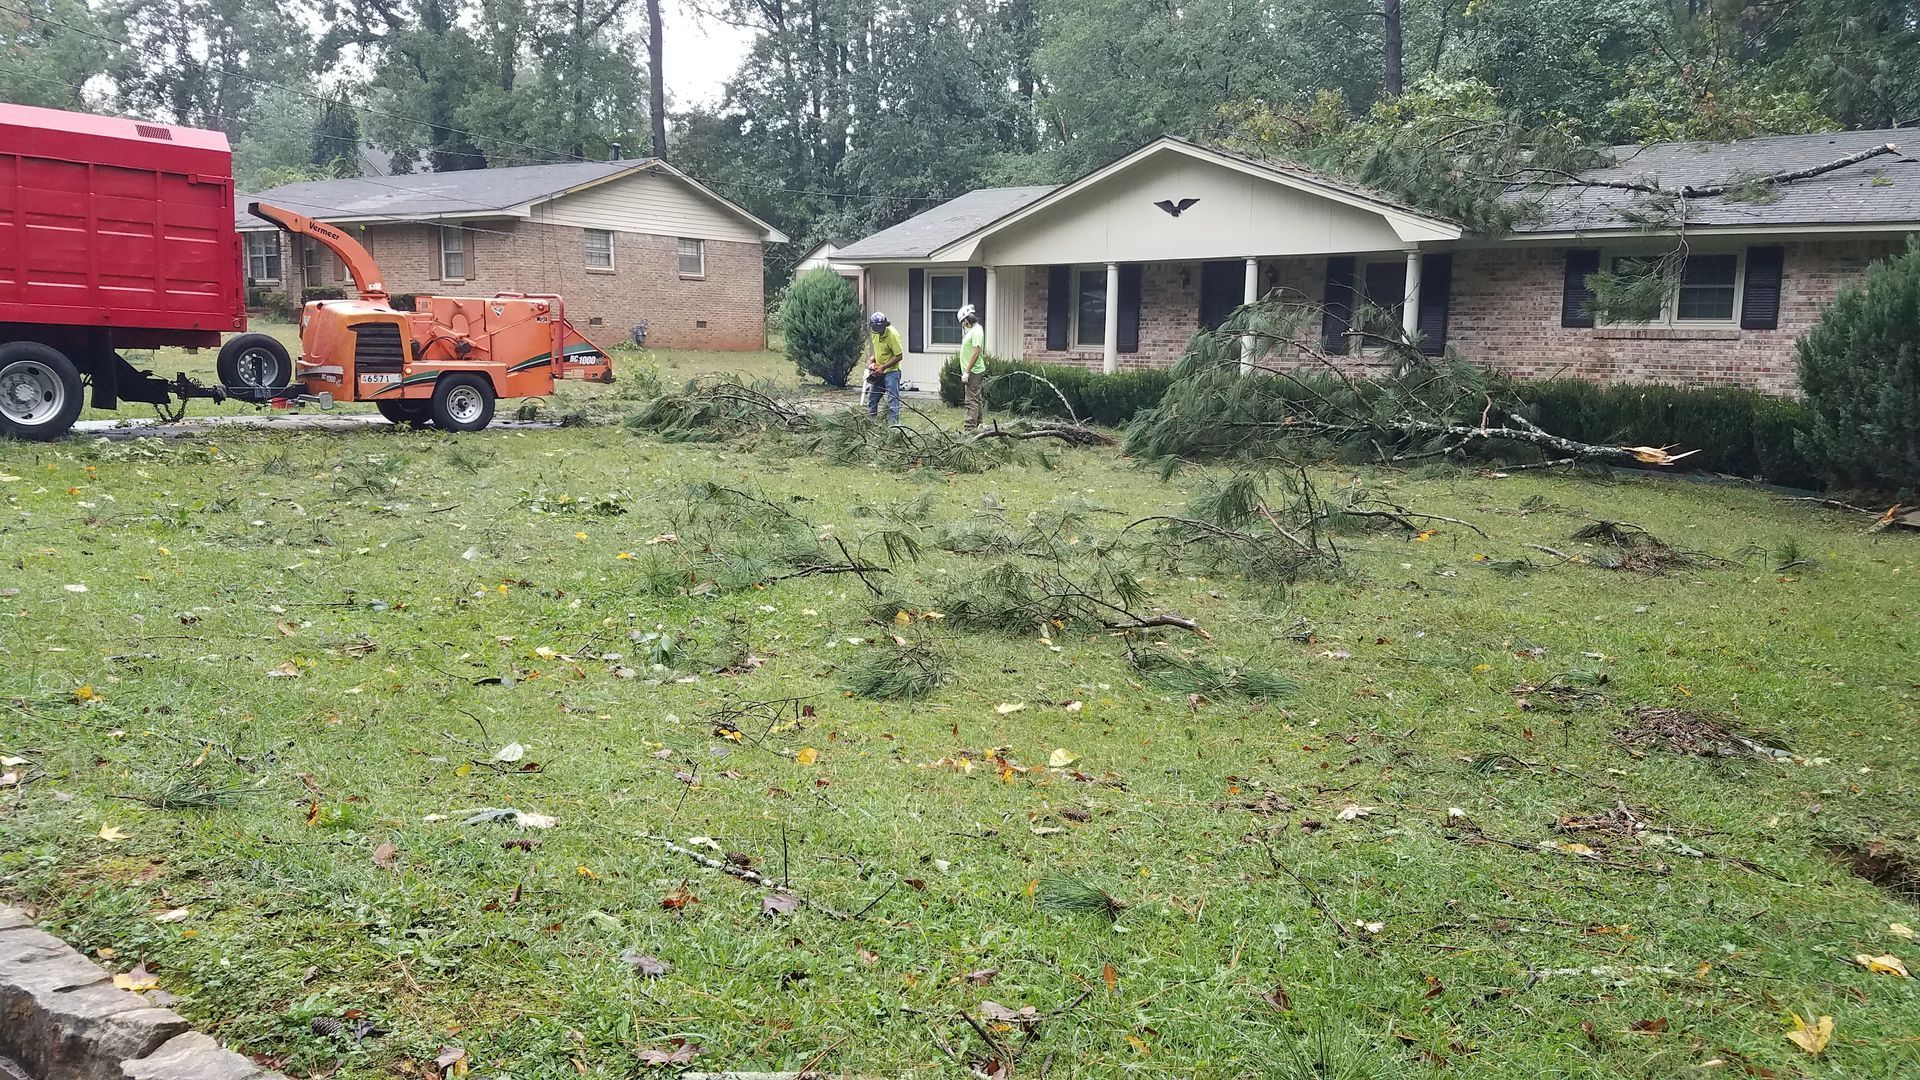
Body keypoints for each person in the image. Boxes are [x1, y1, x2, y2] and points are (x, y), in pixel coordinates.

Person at [865, 311, 904, 423]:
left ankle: (893, 428)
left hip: (892, 372)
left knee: (893, 400)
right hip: (878, 372)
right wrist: (872, 359)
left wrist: (883, 367)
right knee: (872, 399)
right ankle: (871, 424)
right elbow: (878, 350)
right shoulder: (875, 333)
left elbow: (899, 356)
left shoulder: (893, 335)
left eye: (880, 329)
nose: (877, 331)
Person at [957, 304, 987, 431]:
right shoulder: (973, 331)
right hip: (972, 371)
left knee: (971, 401)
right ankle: (979, 425)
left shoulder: (976, 331)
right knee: (976, 399)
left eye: (963, 322)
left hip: (973, 371)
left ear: (967, 319)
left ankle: (969, 429)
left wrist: (967, 372)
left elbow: (976, 352)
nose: (963, 324)